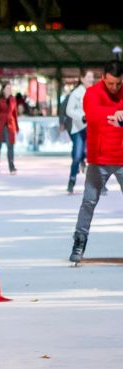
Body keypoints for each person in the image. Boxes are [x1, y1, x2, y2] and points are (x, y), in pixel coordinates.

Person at [68, 60, 123, 264]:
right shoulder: (91, 93)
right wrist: (115, 115)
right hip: (99, 159)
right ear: (103, 78)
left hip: (122, 158)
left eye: (118, 84)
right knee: (88, 202)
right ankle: (79, 241)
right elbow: (92, 115)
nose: (115, 88)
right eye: (111, 83)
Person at [66, 69, 95, 194]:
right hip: (78, 128)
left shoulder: (95, 92)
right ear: (82, 79)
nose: (91, 79)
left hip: (92, 128)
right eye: (88, 77)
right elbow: (69, 110)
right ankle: (72, 180)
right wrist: (81, 117)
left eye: (92, 77)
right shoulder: (76, 93)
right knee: (77, 155)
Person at [0, 81, 19, 175]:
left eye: (10, 88)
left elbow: (14, 114)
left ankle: (11, 166)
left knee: (11, 146)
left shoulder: (13, 99)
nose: (9, 90)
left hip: (10, 125)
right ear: (3, 89)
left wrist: (17, 127)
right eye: (7, 88)